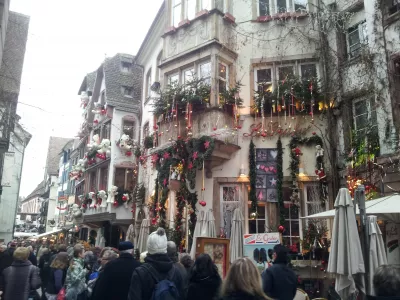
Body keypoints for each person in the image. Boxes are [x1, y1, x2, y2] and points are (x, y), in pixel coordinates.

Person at [128, 227, 184, 300]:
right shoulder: (176, 272)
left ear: (149, 247)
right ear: (165, 247)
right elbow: (182, 296)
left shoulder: (140, 273)